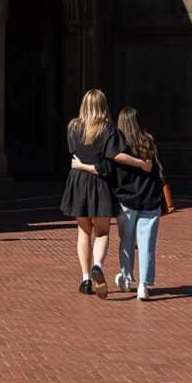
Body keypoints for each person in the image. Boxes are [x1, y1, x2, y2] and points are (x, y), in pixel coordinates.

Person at [61, 90, 152, 298]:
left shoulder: (73, 127)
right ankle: (98, 266)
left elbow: (74, 154)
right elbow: (116, 156)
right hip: (100, 183)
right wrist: (140, 163)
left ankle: (85, 280)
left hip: (77, 182)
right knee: (101, 232)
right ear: (103, 105)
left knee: (83, 231)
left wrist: (82, 164)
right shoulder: (108, 128)